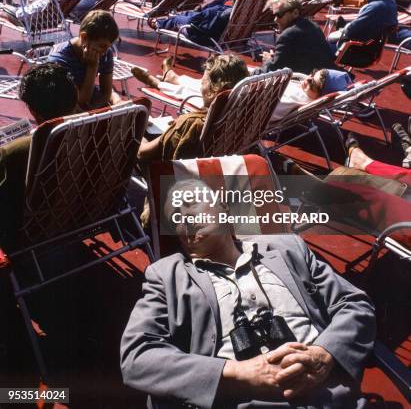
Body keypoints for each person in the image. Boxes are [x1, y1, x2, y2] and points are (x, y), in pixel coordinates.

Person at [121, 184, 376, 409]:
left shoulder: (288, 247)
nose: (185, 216)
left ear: (224, 207)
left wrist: (324, 354)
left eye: (190, 202)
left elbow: (354, 304)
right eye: (175, 216)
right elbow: (138, 355)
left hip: (330, 398)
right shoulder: (166, 276)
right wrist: (238, 372)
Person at [0, 63, 78, 249]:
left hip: (26, 226)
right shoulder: (98, 133)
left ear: (33, 110)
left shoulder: (17, 152)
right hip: (78, 213)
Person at [132, 60, 351, 124]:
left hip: (235, 109)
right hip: (246, 98)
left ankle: (159, 82)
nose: (308, 79)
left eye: (313, 84)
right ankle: (173, 77)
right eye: (312, 74)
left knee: (194, 91)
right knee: (198, 84)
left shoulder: (297, 99)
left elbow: (265, 105)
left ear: (321, 95)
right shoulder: (304, 94)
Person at [134, 54, 249, 162]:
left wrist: (139, 129)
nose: (200, 86)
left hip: (166, 176)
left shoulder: (191, 123)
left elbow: (141, 153)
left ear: (211, 92)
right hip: (215, 167)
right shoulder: (240, 117)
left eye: (202, 82)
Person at [48, 10, 122, 109]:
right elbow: (80, 102)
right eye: (102, 46)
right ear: (84, 37)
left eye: (108, 47)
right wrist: (92, 67)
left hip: (89, 98)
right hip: (66, 105)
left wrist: (113, 101)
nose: (105, 52)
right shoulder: (59, 61)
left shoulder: (105, 54)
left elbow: (106, 93)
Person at [254, 0, 337, 75]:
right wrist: (274, 58)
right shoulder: (313, 26)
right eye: (274, 15)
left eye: (279, 15)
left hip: (305, 81)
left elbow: (273, 70)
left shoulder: (287, 36)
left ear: (295, 13)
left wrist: (267, 61)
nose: (275, 19)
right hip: (325, 76)